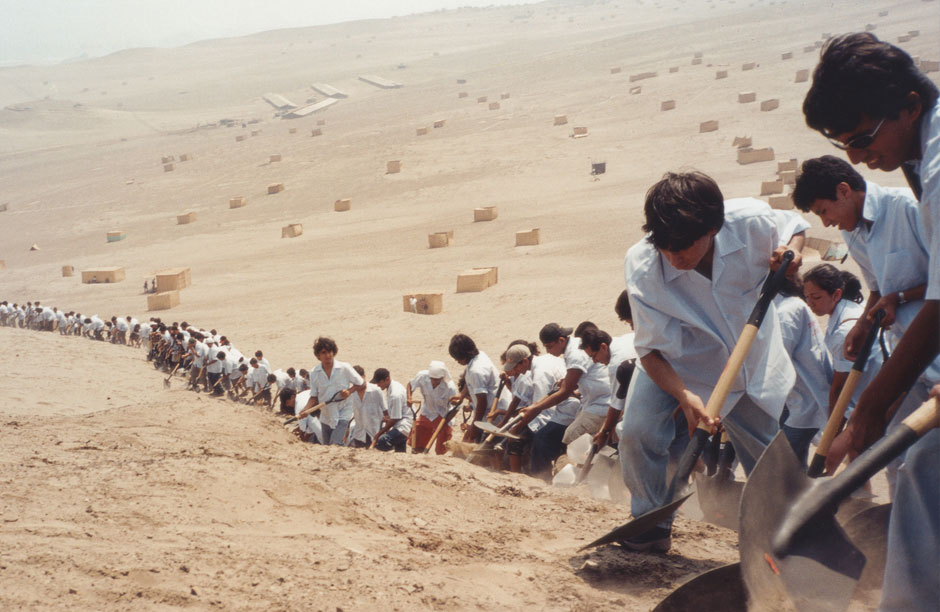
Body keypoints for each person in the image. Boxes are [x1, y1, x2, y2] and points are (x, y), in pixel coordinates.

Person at [802, 32, 939, 611]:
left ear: (909, 104)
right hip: (912, 352)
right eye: (843, 144)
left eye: (860, 139)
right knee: (923, 470)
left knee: (923, 474)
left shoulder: (934, 174)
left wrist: (872, 409)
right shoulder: (920, 154)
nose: (856, 158)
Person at [619, 170, 805, 552]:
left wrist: (792, 251)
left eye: (685, 245)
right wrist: (684, 395)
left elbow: (794, 226)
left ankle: (784, 540)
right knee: (637, 432)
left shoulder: (750, 222)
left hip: (748, 358)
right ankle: (650, 524)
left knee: (765, 454)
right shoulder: (642, 266)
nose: (676, 257)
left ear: (713, 229)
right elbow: (650, 350)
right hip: (676, 362)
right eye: (666, 247)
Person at [802, 266, 883, 445]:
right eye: (807, 297)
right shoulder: (851, 307)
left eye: (816, 297)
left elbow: (840, 389)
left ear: (836, 295)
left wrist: (832, 434)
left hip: (875, 400)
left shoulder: (845, 330)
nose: (810, 303)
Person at [773, 277, 832, 466]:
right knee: (793, 461)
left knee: (784, 463)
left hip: (804, 398)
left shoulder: (785, 312)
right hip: (801, 396)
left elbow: (776, 362)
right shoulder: (793, 304)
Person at [301, 336, 364, 446]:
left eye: (330, 351)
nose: (328, 355)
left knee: (334, 444)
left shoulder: (345, 367)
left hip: (343, 413)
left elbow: (362, 383)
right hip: (326, 416)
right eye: (324, 352)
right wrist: (305, 409)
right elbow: (314, 397)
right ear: (318, 355)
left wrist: (350, 391)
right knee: (327, 447)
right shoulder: (314, 373)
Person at [447, 334, 498, 443]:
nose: (457, 361)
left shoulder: (477, 370)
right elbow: (468, 376)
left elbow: (482, 402)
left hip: (493, 415)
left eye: (457, 358)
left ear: (465, 355)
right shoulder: (479, 355)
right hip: (484, 413)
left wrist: (475, 426)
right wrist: (462, 394)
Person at [408, 360, 459, 454]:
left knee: (442, 447)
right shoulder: (422, 376)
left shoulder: (450, 386)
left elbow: (457, 407)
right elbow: (410, 385)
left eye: (437, 380)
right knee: (418, 438)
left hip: (444, 415)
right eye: (432, 379)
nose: (434, 382)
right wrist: (409, 398)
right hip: (427, 412)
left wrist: (445, 421)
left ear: (442, 377)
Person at [372, 368, 413, 452]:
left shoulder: (395, 394)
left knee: (381, 442)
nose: (378, 385)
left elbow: (395, 419)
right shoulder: (392, 386)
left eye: (379, 383)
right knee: (400, 452)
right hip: (400, 423)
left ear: (387, 379)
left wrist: (378, 434)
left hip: (404, 426)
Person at [348, 365, 388, 448]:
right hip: (359, 435)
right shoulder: (351, 394)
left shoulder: (376, 390)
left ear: (364, 377)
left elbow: (386, 412)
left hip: (375, 434)